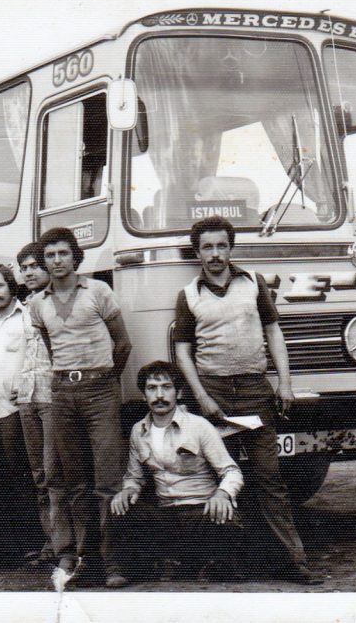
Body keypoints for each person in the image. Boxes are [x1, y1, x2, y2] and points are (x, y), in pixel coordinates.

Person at [173, 215, 321, 585]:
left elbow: (274, 332)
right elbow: (183, 350)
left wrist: (284, 384)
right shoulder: (188, 294)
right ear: (197, 253)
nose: (215, 254)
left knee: (270, 479)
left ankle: (294, 563)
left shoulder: (254, 282)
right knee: (217, 480)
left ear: (231, 249)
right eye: (207, 247)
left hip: (255, 392)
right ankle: (225, 564)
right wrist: (202, 396)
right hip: (214, 395)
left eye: (221, 246)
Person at [29, 227, 132, 585]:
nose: (57, 261)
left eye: (63, 253)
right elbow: (51, 348)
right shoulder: (37, 303)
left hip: (100, 390)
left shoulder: (98, 291)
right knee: (75, 482)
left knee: (108, 480)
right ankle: (88, 560)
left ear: (75, 256)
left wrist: (105, 380)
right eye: (50, 255)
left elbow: (123, 344)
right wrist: (70, 380)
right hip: (62, 393)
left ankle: (114, 563)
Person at [106, 361, 244, 587]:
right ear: (144, 395)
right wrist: (128, 490)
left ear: (178, 392)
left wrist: (222, 495)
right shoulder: (138, 431)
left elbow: (232, 471)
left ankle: (203, 563)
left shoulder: (199, 426)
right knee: (119, 507)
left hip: (201, 511)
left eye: (166, 387)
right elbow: (134, 477)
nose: (159, 395)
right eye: (152, 388)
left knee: (227, 522)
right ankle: (120, 570)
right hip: (166, 514)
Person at [0, 264, 46, 561]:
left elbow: (34, 358)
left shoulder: (26, 317)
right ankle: (3, 546)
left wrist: (24, 387)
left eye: (0, 285)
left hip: (14, 410)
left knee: (20, 475)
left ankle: (31, 542)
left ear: (11, 287)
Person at [15, 241, 59, 564]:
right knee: (39, 476)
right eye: (24, 268)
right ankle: (50, 544)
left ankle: (65, 546)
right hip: (27, 399)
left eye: (34, 266)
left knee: (56, 474)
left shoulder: (58, 301)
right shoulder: (24, 306)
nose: (29, 273)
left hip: (52, 398)